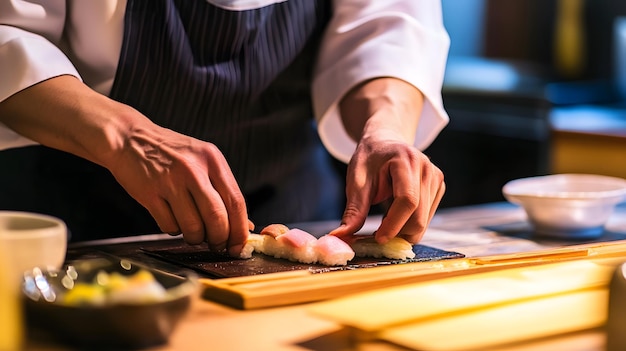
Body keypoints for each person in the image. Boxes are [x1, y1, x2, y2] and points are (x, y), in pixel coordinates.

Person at [0, 0, 450, 257]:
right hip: (84, 215)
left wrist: (386, 128)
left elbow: (386, 27)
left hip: (296, 202)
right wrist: (125, 135)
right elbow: (10, 34)